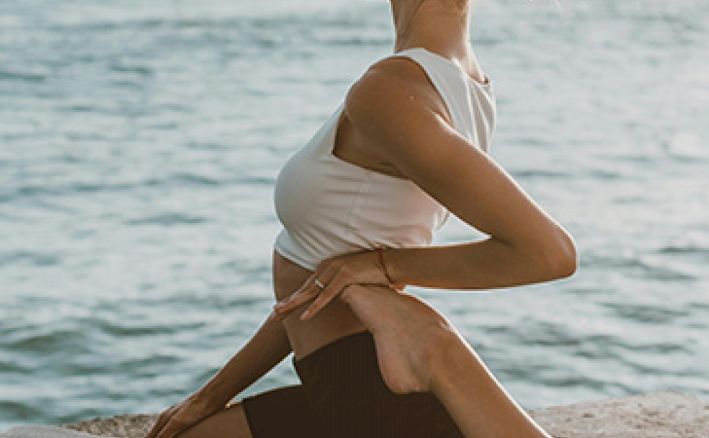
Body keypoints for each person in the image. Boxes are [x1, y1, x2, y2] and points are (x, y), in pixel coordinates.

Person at [145, 0, 576, 437]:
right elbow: (323, 285)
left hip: (373, 400)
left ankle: (436, 347)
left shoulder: (389, 92)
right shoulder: (468, 87)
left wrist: (385, 266)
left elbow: (549, 253)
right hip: (343, 390)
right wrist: (211, 395)